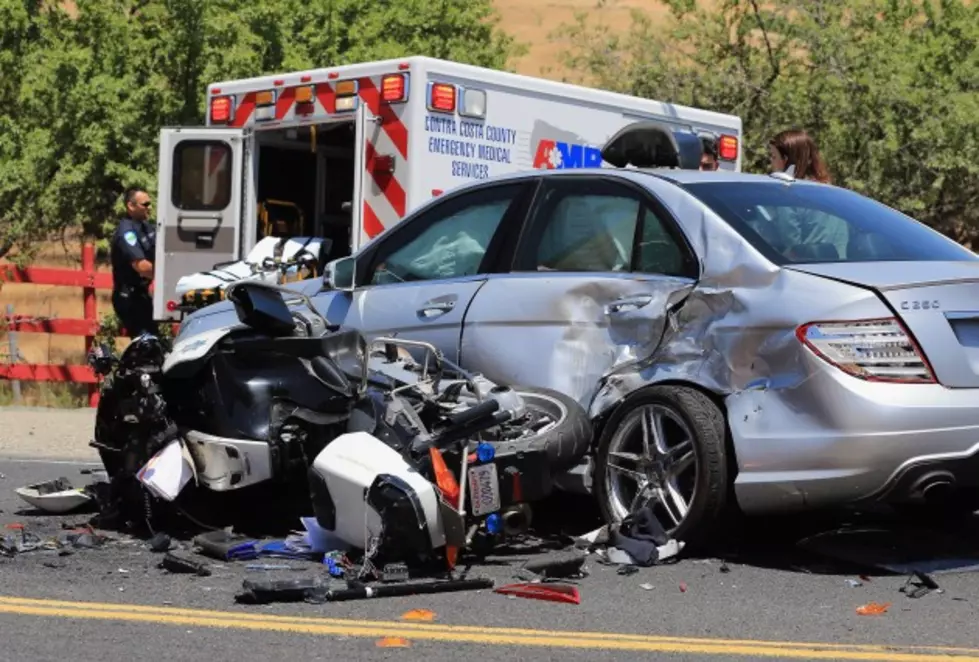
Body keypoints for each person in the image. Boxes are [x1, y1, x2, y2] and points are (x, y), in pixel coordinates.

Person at [764, 129, 848, 260]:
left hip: (808, 268)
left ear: (785, 160)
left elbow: (791, 245)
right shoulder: (831, 191)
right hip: (842, 266)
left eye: (774, 156)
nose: (771, 162)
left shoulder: (788, 196)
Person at [110, 186, 159, 338]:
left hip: (142, 296)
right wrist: (170, 274)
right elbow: (142, 266)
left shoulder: (146, 227)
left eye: (150, 204)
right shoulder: (126, 232)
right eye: (145, 204)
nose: (149, 208)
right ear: (130, 206)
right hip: (129, 298)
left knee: (153, 341)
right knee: (145, 344)